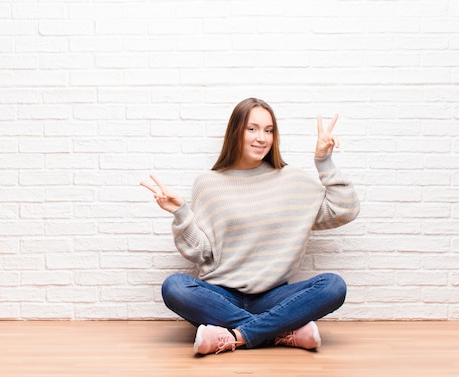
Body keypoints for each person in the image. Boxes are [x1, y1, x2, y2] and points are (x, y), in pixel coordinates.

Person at [140, 98, 360, 355]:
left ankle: (235, 335)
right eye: (252, 129)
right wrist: (181, 213)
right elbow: (200, 253)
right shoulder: (208, 184)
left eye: (268, 130)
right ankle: (279, 332)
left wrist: (324, 162)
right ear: (236, 132)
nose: (261, 138)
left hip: (274, 297)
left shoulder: (293, 180)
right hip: (221, 296)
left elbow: (344, 211)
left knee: (333, 285)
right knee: (174, 287)